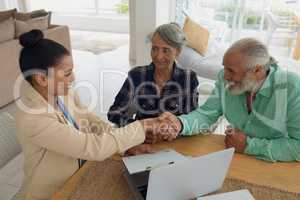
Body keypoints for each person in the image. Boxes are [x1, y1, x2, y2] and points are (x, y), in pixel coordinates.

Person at [14, 30, 164, 200]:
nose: (73, 78)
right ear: (42, 79)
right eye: (67, 73)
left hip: (80, 174)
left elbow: (91, 122)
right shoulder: (33, 118)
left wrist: (126, 146)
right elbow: (92, 147)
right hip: (54, 193)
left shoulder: (60, 92)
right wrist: (141, 127)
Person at [158, 38, 300, 162]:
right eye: (224, 68)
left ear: (258, 71)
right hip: (238, 159)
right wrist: (180, 123)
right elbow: (207, 113)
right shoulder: (225, 78)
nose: (225, 76)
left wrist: (249, 146)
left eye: (231, 71)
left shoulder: (292, 87)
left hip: (280, 165)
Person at [107, 23, 199, 152]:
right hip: (140, 143)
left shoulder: (189, 78)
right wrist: (141, 129)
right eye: (154, 48)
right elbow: (114, 113)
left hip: (175, 145)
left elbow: (192, 119)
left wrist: (171, 131)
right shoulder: (137, 75)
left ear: (178, 52)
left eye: (166, 50)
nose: (158, 56)